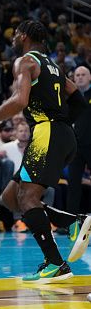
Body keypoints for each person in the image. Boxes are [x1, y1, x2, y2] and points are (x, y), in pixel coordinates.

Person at [0, 20, 91, 283]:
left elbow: (20, 100)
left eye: (15, 35)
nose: (13, 39)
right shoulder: (55, 67)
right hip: (60, 134)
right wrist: (63, 124)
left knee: (27, 199)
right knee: (11, 197)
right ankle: (72, 222)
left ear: (23, 36)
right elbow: (79, 100)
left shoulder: (25, 62)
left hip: (47, 133)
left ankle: (56, 263)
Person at [67, 66, 91, 216]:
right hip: (75, 146)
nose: (80, 77)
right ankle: (70, 222)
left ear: (89, 77)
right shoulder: (70, 97)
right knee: (73, 184)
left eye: (83, 74)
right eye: (77, 75)